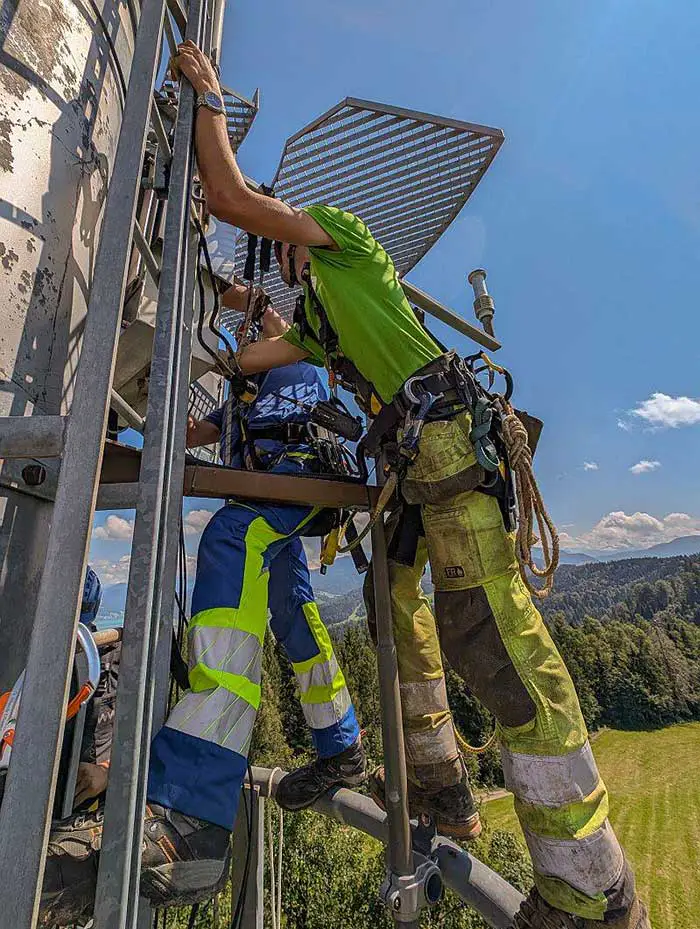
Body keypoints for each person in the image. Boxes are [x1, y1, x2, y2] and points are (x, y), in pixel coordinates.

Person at [138, 41, 646, 929]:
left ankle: (593, 888)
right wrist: (179, 297)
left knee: (493, 635)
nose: (277, 277)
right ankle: (445, 794)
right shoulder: (323, 326)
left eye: (274, 249)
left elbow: (234, 198)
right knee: (398, 621)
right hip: (412, 468)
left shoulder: (350, 241)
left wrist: (209, 106)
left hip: (445, 441)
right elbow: (247, 343)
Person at [42, 308, 365, 921]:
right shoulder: (244, 394)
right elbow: (194, 431)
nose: (241, 343)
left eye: (250, 333)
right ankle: (340, 742)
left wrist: (245, 303)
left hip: (294, 480)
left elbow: (273, 327)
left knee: (229, 536)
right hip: (276, 504)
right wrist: (123, 438)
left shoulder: (297, 350)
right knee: (295, 615)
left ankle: (193, 805)